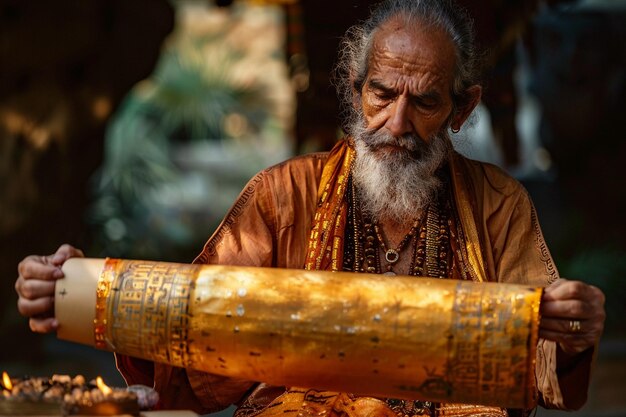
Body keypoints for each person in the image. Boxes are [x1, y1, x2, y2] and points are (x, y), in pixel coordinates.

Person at [15, 0, 605, 416]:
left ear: (463, 106)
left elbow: (541, 360)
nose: (398, 125)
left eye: (425, 102)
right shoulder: (282, 194)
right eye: (382, 94)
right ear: (354, 90)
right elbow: (193, 329)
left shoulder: (500, 205)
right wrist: (75, 292)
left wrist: (571, 329)